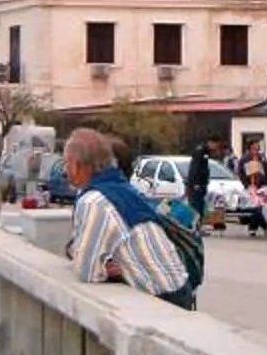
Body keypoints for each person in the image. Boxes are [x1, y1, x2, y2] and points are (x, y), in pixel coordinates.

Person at [63, 129, 202, 310]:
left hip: (161, 298)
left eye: (66, 163)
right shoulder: (120, 188)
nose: (65, 170)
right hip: (179, 288)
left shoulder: (94, 202)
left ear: (76, 164)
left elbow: (86, 270)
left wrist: (103, 268)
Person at [183, 140, 215, 229]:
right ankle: (193, 226)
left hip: (202, 184)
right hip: (196, 185)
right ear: (210, 142)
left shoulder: (205, 152)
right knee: (195, 206)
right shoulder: (200, 152)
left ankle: (197, 225)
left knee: (200, 206)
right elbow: (195, 168)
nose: (215, 147)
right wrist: (196, 182)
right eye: (215, 145)